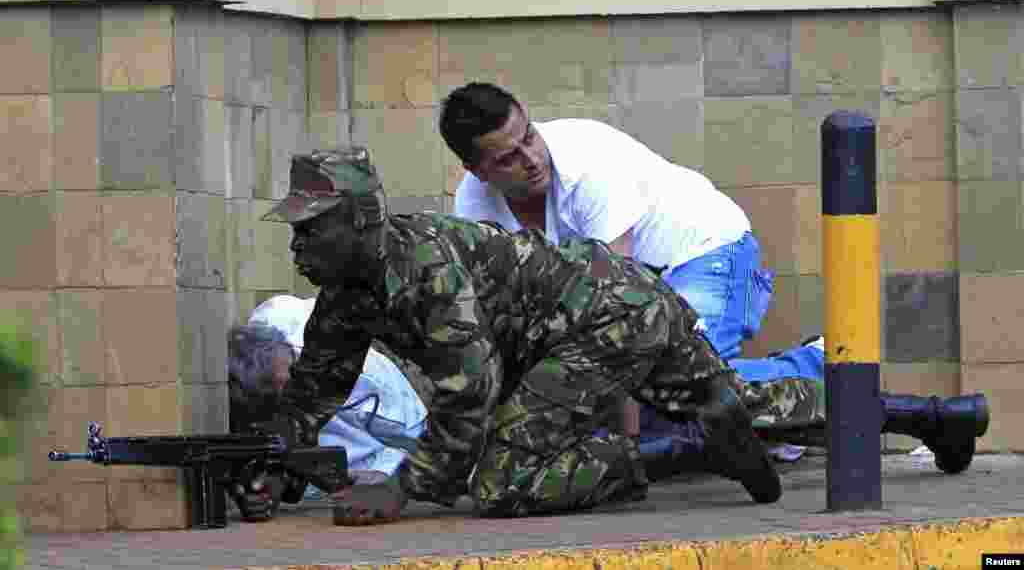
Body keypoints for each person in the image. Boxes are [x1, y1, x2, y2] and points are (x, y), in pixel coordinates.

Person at [247, 146, 834, 526]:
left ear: (361, 221)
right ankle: (910, 413)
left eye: (311, 231)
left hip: (607, 316)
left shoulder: (424, 267)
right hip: (595, 318)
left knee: (501, 485)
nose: (298, 248)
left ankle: (690, 450)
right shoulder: (348, 291)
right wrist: (272, 467)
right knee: (748, 403)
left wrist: (400, 490)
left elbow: (469, 394)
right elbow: (314, 389)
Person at [439, 82, 822, 385]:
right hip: (641, 288)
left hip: (708, 253)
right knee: (640, 393)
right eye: (508, 158)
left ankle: (820, 368)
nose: (532, 159)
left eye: (529, 137)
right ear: (478, 171)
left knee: (684, 378)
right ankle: (787, 415)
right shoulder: (474, 207)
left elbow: (616, 295)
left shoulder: (587, 161)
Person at [228, 295, 427, 485]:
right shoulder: (270, 317)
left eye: (290, 383)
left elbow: (418, 437)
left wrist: (383, 472)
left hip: (361, 467)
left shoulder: (366, 379)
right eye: (275, 393)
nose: (292, 394)